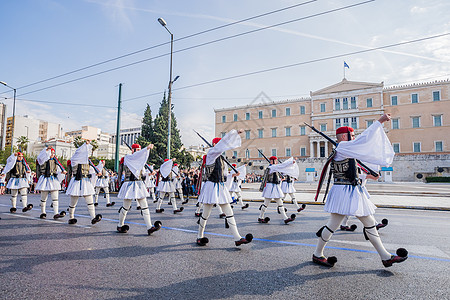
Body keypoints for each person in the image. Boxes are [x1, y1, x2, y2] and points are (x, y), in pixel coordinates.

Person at [312, 113, 408, 268]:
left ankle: (385, 257)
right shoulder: (343, 147)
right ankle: (317, 254)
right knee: (332, 225)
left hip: (351, 191)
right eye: (352, 135)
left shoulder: (347, 149)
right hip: (343, 191)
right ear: (344, 137)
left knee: (369, 223)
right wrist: (379, 122)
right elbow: (365, 139)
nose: (355, 138)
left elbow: (353, 171)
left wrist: (368, 176)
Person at [196, 129, 253, 247]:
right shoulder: (211, 154)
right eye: (218, 144)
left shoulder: (222, 159)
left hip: (220, 187)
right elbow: (219, 148)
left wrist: (233, 175)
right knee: (205, 214)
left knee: (229, 212)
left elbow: (225, 174)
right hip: (211, 187)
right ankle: (199, 236)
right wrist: (235, 133)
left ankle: (237, 238)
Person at [116, 143, 161, 235]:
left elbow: (142, 175)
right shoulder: (127, 158)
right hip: (129, 183)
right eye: (138, 149)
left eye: (140, 149)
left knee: (144, 206)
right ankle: (120, 225)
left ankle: (149, 227)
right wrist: (146, 148)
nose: (140, 151)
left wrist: (149, 174)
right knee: (126, 207)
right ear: (132, 150)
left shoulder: (140, 161)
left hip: (138, 183)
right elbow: (121, 172)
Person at [66, 142, 102, 225]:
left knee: (90, 200)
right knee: (73, 202)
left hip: (85, 181)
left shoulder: (87, 161)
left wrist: (97, 172)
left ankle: (93, 217)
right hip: (76, 181)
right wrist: (85, 145)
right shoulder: (75, 160)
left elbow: (92, 169)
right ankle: (71, 217)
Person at [258, 156, 296, 224]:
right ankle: (260, 217)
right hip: (270, 187)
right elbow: (282, 166)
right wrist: (291, 162)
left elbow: (276, 177)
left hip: (275, 187)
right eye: (275, 161)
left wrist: (280, 179)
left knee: (280, 203)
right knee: (266, 203)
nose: (277, 162)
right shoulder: (272, 167)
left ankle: (285, 218)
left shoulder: (273, 168)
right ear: (272, 161)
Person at [35, 147, 67, 219]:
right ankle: (43, 213)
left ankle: (56, 213)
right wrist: (46, 150)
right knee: (43, 198)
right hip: (45, 179)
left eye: (53, 153)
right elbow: (40, 157)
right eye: (51, 153)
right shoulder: (43, 160)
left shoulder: (56, 162)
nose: (52, 154)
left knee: (55, 198)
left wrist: (61, 172)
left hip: (53, 179)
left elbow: (58, 170)